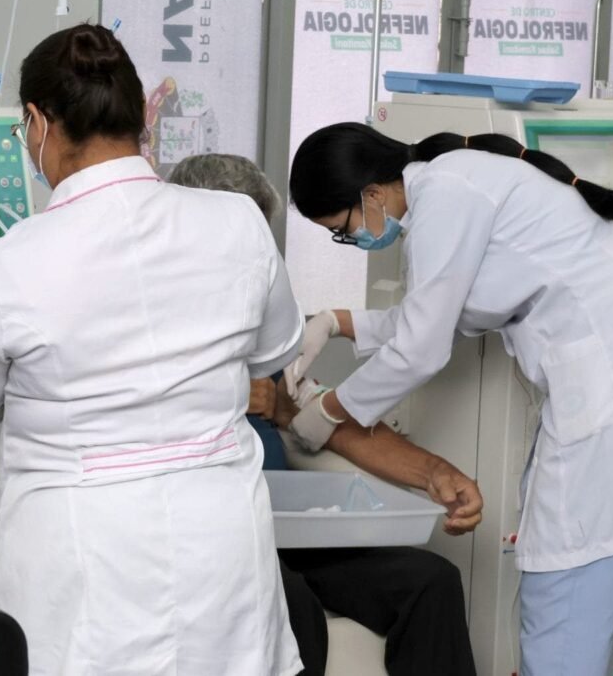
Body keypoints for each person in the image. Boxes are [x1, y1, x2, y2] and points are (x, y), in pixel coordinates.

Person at [0, 25, 304, 675]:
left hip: (86, 557)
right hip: (219, 548)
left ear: (38, 123)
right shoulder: (237, 223)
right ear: (139, 114)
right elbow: (273, 348)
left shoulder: (8, 265)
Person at [284, 123, 613, 676]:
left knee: (563, 590)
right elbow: (430, 317)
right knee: (583, 581)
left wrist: (328, 412)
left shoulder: (446, 194)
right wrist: (334, 321)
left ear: (371, 193)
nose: (351, 241)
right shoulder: (454, 181)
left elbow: (420, 347)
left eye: (342, 230)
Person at [169, 153, 481, 676]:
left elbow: (326, 422)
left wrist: (434, 473)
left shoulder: (259, 320)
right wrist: (222, 396)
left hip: (290, 537)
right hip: (211, 541)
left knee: (431, 582)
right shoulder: (153, 320)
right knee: (291, 608)